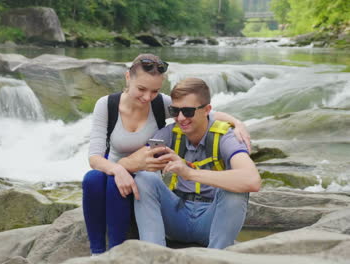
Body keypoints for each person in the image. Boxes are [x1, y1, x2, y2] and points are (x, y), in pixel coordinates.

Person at [82, 54, 251, 255]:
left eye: (154, 91)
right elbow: (94, 157)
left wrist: (237, 123)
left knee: (128, 180)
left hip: (146, 176)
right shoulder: (107, 105)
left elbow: (201, 113)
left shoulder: (161, 104)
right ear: (128, 78)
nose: (147, 97)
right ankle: (99, 252)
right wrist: (118, 168)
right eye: (142, 89)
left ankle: (118, 250)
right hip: (116, 170)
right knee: (94, 179)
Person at [132, 77, 261, 249]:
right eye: (175, 111)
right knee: (143, 178)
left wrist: (189, 173)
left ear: (207, 110)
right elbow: (130, 161)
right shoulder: (170, 133)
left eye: (188, 112)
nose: (180, 118)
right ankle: (153, 254)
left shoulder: (227, 137)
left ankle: (215, 259)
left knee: (236, 191)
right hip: (177, 215)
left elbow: (252, 180)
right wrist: (120, 168)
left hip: (211, 221)